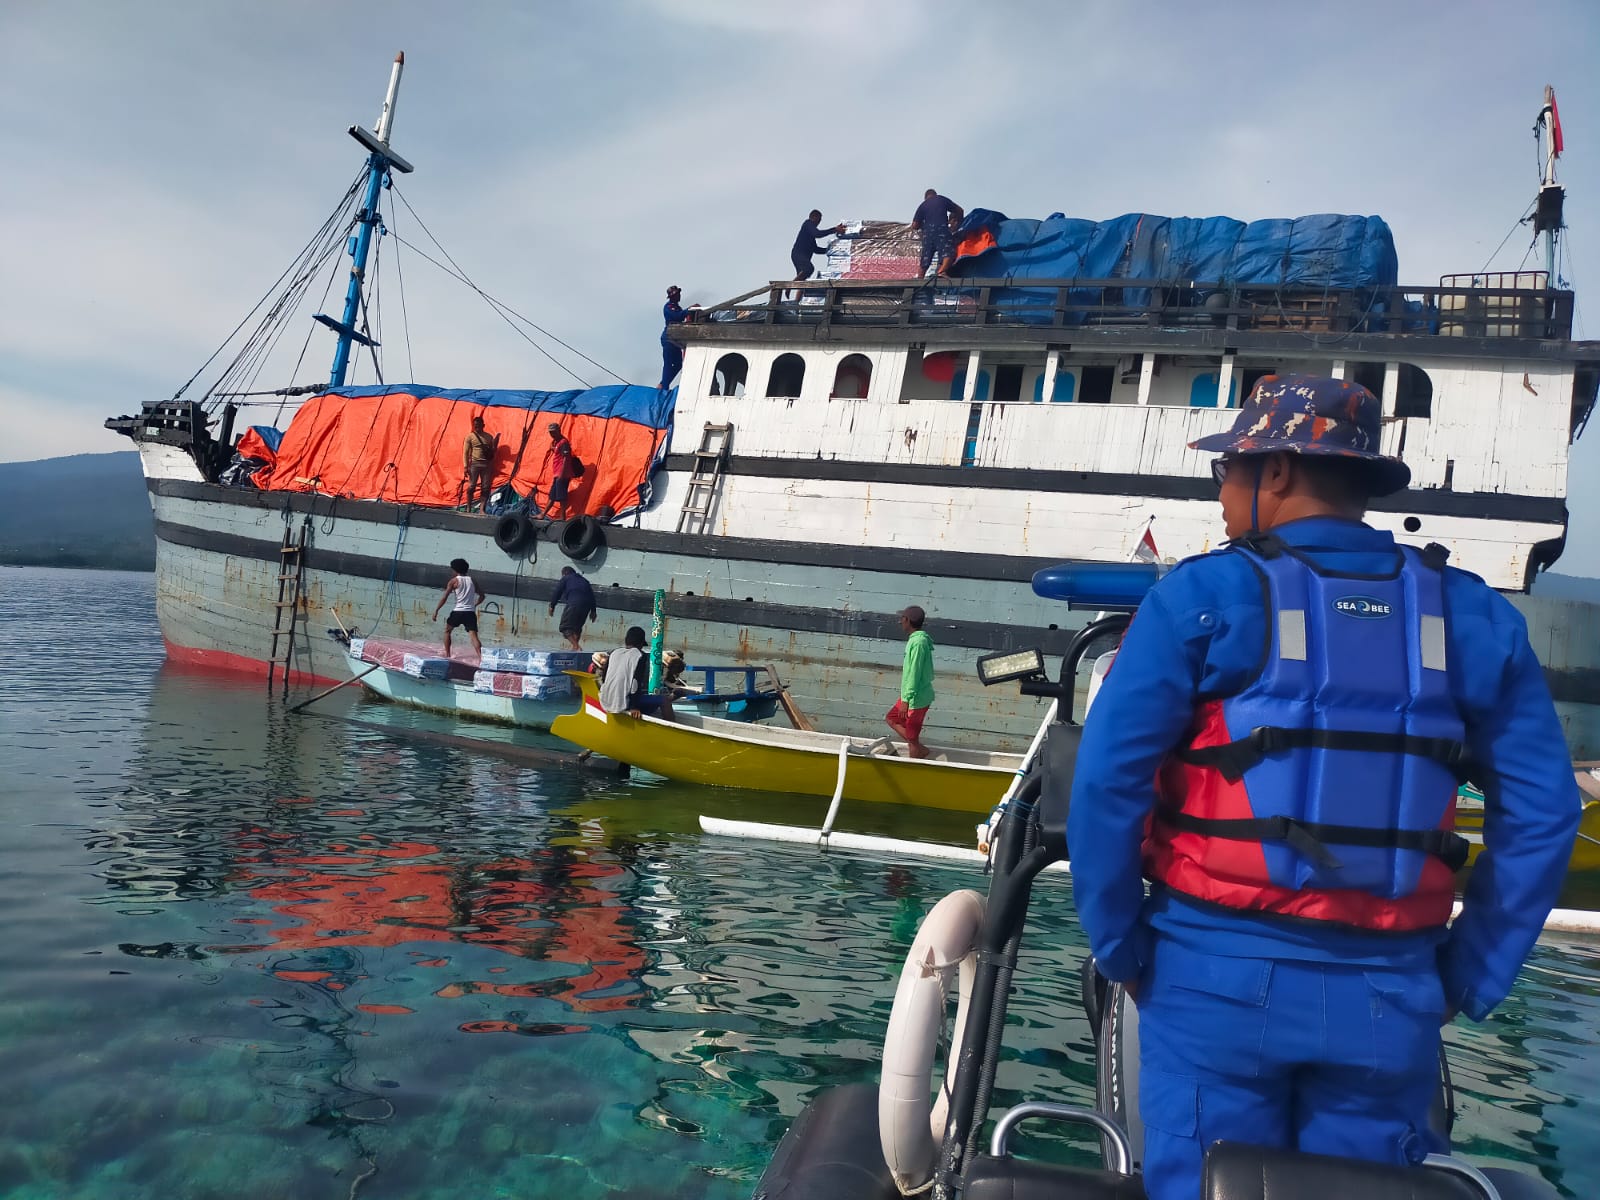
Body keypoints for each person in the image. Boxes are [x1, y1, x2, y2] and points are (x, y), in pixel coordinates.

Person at [1065, 374, 1581, 1200]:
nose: (1222, 496)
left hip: (1209, 975)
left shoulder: (1200, 596)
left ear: (1275, 471)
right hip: (1391, 994)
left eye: (1227, 472)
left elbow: (1107, 783)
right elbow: (1546, 813)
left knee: (1201, 1183)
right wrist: (1469, 975)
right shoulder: (1475, 616)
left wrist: (1120, 946)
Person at [886, 605, 935, 758]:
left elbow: (914, 673)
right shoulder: (915, 640)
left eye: (902, 618)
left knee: (912, 739)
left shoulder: (918, 643)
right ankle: (921, 749)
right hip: (911, 695)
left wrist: (906, 700)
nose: (900, 621)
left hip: (916, 699)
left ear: (907, 620)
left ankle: (916, 758)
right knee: (892, 719)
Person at [430, 557, 487, 658]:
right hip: (470, 613)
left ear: (455, 570)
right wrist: (474, 605)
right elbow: (482, 596)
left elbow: (444, 598)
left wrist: (436, 610)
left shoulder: (453, 581)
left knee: (447, 631)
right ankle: (481, 658)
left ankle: (448, 655)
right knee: (474, 636)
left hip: (458, 611)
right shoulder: (472, 580)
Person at [599, 626, 651, 718]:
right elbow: (635, 682)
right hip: (623, 703)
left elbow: (604, 677)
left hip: (605, 700)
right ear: (640, 644)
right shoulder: (640, 655)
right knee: (664, 701)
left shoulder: (614, 652)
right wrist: (634, 707)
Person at [911, 189, 964, 275]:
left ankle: (920, 278)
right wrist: (959, 224)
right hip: (941, 229)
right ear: (935, 194)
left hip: (927, 235)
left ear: (925, 197)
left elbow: (914, 225)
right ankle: (941, 272)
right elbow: (960, 210)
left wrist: (924, 226)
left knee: (925, 260)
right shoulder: (941, 199)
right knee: (948, 253)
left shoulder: (922, 205)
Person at [549, 565, 598, 651]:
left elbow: (557, 591)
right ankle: (575, 650)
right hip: (586, 606)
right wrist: (593, 611)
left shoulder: (566, 578)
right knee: (577, 628)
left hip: (574, 603)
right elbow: (592, 596)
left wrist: (552, 605)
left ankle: (576, 646)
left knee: (564, 627)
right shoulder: (585, 581)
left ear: (564, 574)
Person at [791, 209, 847, 281]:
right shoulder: (808, 223)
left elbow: (816, 249)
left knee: (802, 278)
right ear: (813, 217)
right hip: (798, 254)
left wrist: (830, 250)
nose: (819, 222)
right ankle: (792, 284)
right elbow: (818, 234)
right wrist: (834, 230)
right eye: (818, 219)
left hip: (800, 256)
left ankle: (795, 286)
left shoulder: (810, 236)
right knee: (809, 269)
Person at [462, 415, 498, 513]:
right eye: (475, 425)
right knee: (471, 486)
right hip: (475, 464)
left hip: (486, 465)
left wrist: (495, 443)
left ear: (483, 425)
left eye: (478, 425)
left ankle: (482, 509)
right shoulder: (470, 437)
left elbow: (492, 451)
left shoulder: (489, 437)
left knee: (485, 487)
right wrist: (465, 466)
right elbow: (465, 452)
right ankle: (468, 507)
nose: (476, 427)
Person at [541, 422, 576, 520]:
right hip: (557, 473)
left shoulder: (564, 442)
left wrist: (562, 473)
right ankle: (543, 514)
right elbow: (558, 452)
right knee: (552, 495)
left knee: (561, 495)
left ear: (559, 431)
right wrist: (552, 447)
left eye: (553, 432)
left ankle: (563, 516)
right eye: (550, 433)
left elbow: (566, 458)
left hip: (562, 473)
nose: (552, 434)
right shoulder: (557, 442)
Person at [660, 285, 689, 390]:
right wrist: (688, 310)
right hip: (668, 338)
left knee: (678, 364)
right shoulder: (668, 307)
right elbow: (677, 316)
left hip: (676, 339)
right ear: (672, 297)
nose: (678, 296)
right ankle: (664, 387)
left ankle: (663, 383)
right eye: (676, 294)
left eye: (679, 294)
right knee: (668, 363)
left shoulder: (677, 308)